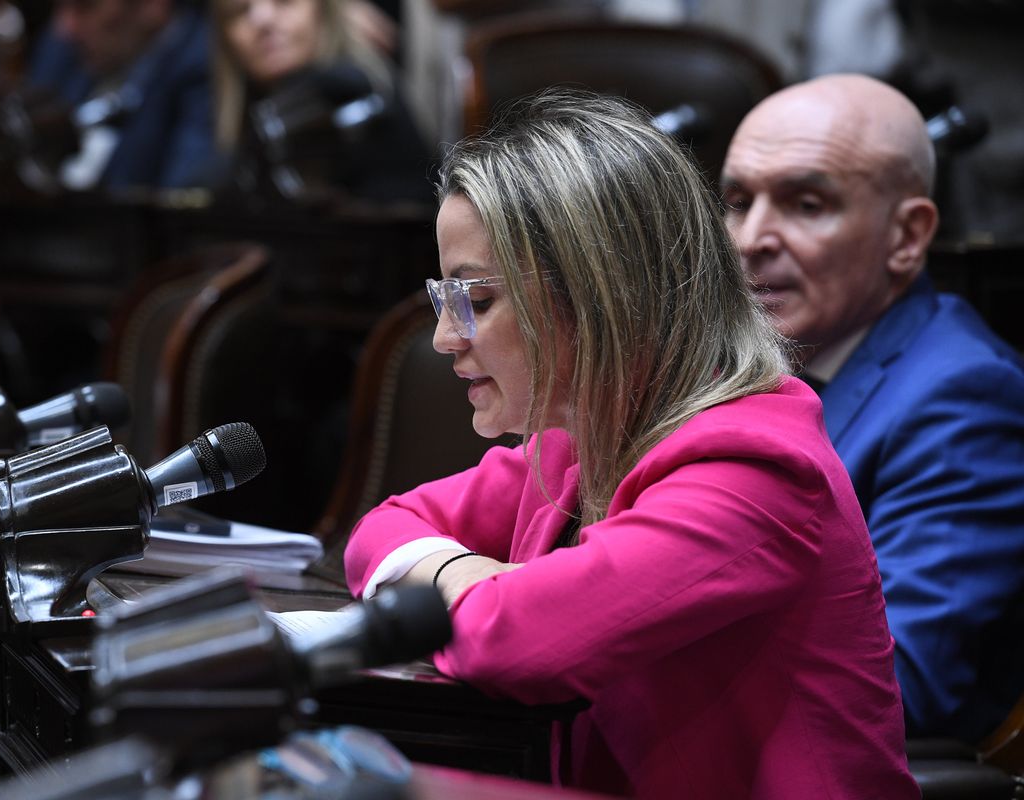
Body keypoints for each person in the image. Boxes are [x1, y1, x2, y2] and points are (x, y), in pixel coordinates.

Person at [343, 90, 917, 797]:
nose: (445, 338)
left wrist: (459, 587)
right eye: (444, 299)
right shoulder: (578, 433)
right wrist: (463, 576)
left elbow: (519, 642)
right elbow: (381, 530)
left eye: (477, 301)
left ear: (597, 295)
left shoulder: (756, 468)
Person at [720, 73, 1024, 744]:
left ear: (906, 235)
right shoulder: (731, 368)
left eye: (804, 203)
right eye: (738, 202)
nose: (751, 238)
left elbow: (892, 685)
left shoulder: (966, 398)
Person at [205, 0, 435, 204]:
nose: (262, 20)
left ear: (324, 11)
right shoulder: (253, 120)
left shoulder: (354, 92)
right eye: (239, 10)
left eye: (285, 2)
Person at [24, 0, 216, 191]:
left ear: (153, 5)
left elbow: (181, 200)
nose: (64, 29)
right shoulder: (63, 52)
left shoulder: (201, 70)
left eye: (85, 6)